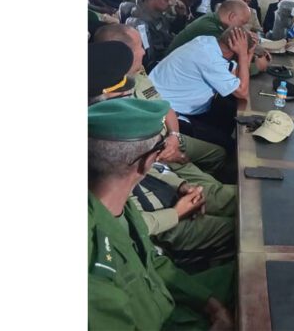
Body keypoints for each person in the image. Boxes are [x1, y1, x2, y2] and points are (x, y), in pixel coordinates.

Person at [88, 39, 236, 267]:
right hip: (161, 227)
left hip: (163, 185)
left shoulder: (116, 131)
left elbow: (146, 163)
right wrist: (175, 214)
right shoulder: (105, 142)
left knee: (228, 197)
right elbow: (119, 227)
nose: (143, 50)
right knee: (240, 226)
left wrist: (179, 184)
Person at [88, 98, 235, 329]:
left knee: (249, 274)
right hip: (163, 319)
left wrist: (210, 304)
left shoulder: (121, 207)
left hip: (163, 299)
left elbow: (154, 263)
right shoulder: (93, 262)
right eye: (160, 148)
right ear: (147, 162)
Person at [150, 27, 253, 151]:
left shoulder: (206, 42)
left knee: (229, 109)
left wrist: (247, 54)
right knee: (229, 146)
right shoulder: (210, 59)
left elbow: (235, 75)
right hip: (170, 115)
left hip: (173, 103)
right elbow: (242, 92)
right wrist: (243, 55)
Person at [125, 0, 187, 70]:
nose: (170, 4)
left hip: (168, 49)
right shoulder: (142, 21)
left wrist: (180, 16)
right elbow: (148, 57)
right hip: (160, 60)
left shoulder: (157, 11)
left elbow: (171, 29)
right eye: (167, 0)